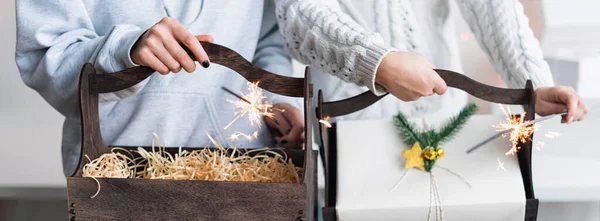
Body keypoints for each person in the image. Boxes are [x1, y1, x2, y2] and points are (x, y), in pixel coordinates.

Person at [15, 0, 304, 175]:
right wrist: (123, 51)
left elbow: (268, 40)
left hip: (247, 171)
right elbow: (46, 63)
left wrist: (274, 101)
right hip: (117, 174)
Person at [273, 0, 588, 124]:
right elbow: (297, 15)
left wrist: (532, 83)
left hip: (445, 121)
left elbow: (492, 6)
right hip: (347, 129)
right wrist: (378, 64)